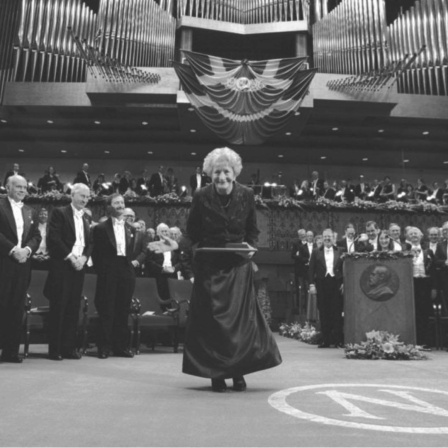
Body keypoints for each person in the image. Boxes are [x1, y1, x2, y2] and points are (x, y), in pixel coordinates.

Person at [149, 147, 282, 392]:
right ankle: (216, 375)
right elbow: (193, 233)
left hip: (237, 268)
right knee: (213, 326)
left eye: (226, 171)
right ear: (210, 173)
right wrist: (177, 243)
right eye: (217, 172)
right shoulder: (201, 195)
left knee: (239, 326)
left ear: (235, 172)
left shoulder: (247, 195)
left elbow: (252, 230)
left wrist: (250, 249)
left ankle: (238, 372)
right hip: (209, 268)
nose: (221, 177)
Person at [43, 183, 92, 360]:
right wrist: (72, 258)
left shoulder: (85, 218)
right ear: (72, 195)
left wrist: (84, 258)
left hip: (79, 268)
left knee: (73, 308)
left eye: (87, 197)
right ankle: (55, 350)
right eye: (82, 196)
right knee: (59, 308)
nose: (85, 200)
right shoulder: (60, 212)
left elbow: (89, 243)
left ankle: (68, 348)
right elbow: (54, 238)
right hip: (63, 267)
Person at [91, 193, 143, 359]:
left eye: (122, 202)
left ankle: (120, 347)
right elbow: (96, 254)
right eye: (116, 203)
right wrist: (104, 271)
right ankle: (104, 347)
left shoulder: (131, 228)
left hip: (126, 272)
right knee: (107, 309)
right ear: (109, 207)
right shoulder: (100, 228)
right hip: (108, 271)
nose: (120, 206)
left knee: (123, 310)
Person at [0, 175, 41, 363]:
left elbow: (36, 236)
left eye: (25, 187)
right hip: (3, 263)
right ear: (7, 188)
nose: (23, 190)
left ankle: (10, 351)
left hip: (23, 265)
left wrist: (27, 250)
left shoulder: (30, 211)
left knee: (17, 309)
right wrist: (12, 249)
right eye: (18, 186)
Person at [308, 228, 344, 348]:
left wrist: (344, 283)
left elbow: (346, 268)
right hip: (322, 284)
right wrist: (312, 284)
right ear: (322, 239)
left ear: (333, 238)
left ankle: (338, 339)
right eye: (325, 237)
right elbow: (311, 269)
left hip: (336, 283)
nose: (327, 239)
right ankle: (326, 340)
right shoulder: (316, 252)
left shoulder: (341, 251)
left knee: (336, 311)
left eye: (329, 237)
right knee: (323, 311)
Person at [408, 226, 437, 348]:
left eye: (416, 234)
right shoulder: (406, 251)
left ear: (421, 236)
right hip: (412, 284)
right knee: (413, 312)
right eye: (412, 234)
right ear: (409, 237)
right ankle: (414, 341)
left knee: (424, 312)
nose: (414, 236)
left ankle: (425, 341)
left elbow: (434, 270)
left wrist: (434, 288)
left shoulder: (428, 251)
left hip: (425, 284)